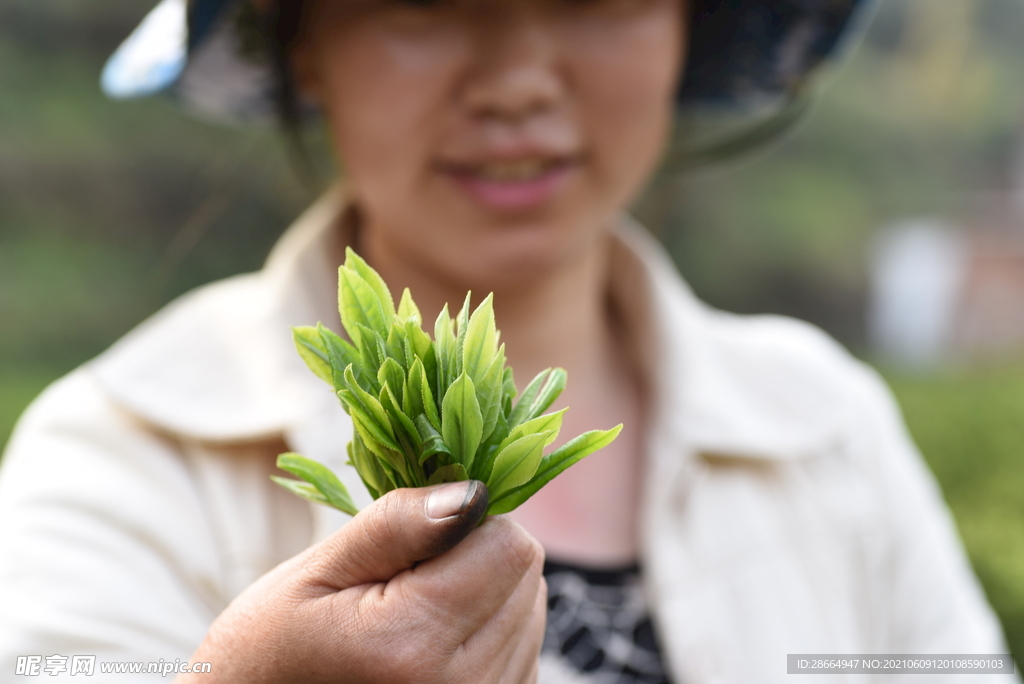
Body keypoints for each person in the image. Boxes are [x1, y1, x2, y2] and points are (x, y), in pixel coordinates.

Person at [0, 0, 1015, 682]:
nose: (517, 81)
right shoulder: (121, 453)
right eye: (426, 0)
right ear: (301, 37)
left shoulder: (827, 427)